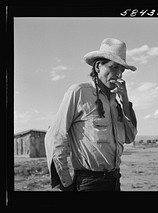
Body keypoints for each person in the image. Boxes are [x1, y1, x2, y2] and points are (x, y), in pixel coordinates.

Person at [45, 38, 138, 191]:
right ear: (97, 67)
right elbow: (55, 136)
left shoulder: (117, 102)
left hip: (114, 181)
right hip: (88, 184)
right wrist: (65, 183)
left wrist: (125, 101)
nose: (119, 74)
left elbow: (130, 137)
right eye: (114, 67)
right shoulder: (79, 92)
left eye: (122, 70)